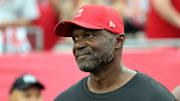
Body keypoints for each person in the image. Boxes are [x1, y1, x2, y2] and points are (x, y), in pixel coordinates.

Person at [54, 4, 177, 101]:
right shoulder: (66, 98)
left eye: (89, 35)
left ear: (118, 41)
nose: (78, 45)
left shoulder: (153, 95)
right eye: (75, 38)